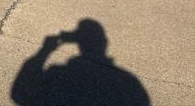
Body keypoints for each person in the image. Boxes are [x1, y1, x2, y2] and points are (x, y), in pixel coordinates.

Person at [11, 19, 150, 106]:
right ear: (104, 42)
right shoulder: (127, 81)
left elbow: (19, 94)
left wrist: (45, 50)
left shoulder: (57, 73)